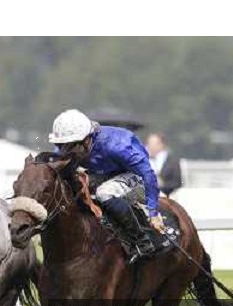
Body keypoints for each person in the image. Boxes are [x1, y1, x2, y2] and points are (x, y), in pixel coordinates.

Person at [49, 109, 165, 264]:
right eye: (61, 145)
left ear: (86, 139)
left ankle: (142, 242)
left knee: (105, 193)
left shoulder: (117, 145)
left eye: (70, 146)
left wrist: (153, 212)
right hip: (105, 172)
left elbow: (148, 175)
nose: (65, 151)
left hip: (134, 174)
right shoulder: (69, 145)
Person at [146, 132, 183, 197]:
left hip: (167, 197)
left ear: (161, 144)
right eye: (149, 143)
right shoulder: (144, 160)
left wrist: (161, 186)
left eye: (153, 144)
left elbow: (177, 183)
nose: (150, 146)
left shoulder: (173, 161)